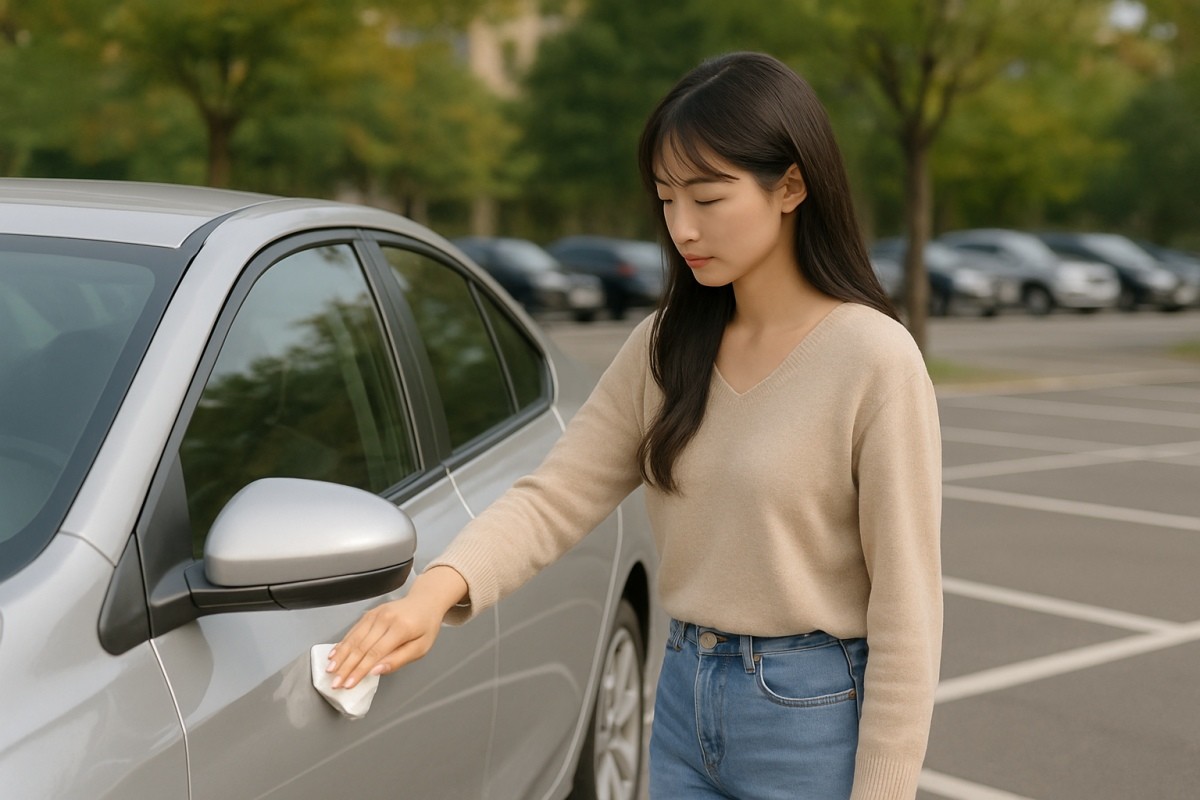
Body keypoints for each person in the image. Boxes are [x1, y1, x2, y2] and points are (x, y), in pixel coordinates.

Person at [327, 51, 942, 800]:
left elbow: (908, 608)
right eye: (665, 199)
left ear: (790, 185)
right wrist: (434, 593)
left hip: (809, 715)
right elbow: (554, 498)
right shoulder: (664, 345)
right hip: (683, 696)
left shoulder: (872, 357)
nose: (682, 227)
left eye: (708, 198)